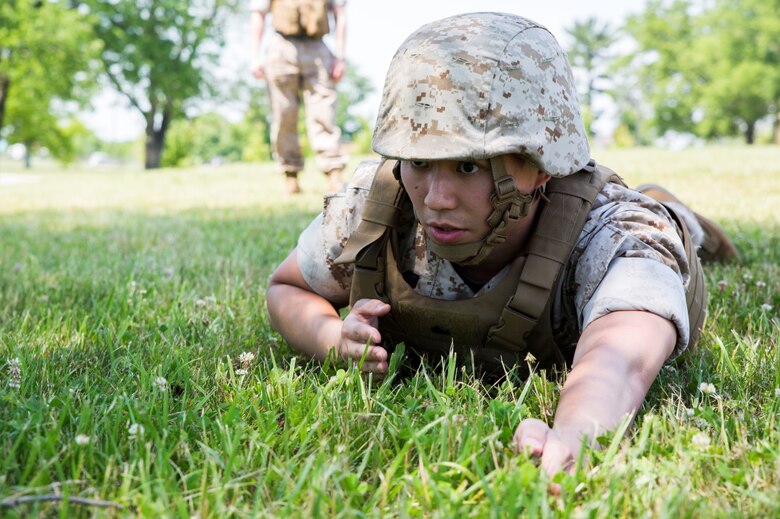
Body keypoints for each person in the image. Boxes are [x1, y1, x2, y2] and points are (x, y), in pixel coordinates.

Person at [266, 12, 738, 485]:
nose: (435, 199)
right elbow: (286, 288)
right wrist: (330, 339)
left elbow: (621, 357)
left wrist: (577, 434)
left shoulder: (616, 232)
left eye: (470, 166)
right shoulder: (374, 206)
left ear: (542, 163)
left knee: (672, 223)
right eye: (418, 162)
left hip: (653, 228)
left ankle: (678, 211)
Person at [250, 0, 348, 194]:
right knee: (284, 114)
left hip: (317, 48)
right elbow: (258, 13)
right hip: (282, 46)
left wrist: (340, 57)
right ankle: (290, 174)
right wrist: (255, 56)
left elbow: (340, 14)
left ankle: (333, 172)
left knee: (324, 113)